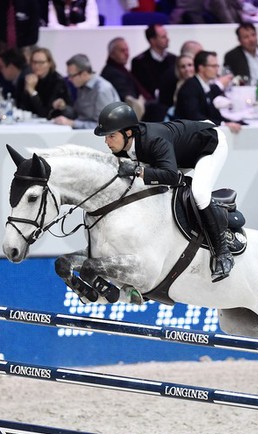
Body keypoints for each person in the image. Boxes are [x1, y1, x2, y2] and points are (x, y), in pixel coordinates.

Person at [94, 101, 234, 282]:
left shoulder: (154, 140)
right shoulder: (122, 147)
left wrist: (138, 171)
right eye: (105, 137)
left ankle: (223, 252)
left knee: (199, 192)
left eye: (111, 136)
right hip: (177, 154)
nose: (106, 141)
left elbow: (171, 176)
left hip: (207, 145)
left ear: (128, 133)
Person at [175, 51, 242, 134]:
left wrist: (235, 122)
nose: (217, 69)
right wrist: (223, 124)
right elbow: (194, 116)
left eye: (217, 66)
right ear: (201, 68)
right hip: (187, 135)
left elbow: (212, 113)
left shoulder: (204, 85)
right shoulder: (190, 87)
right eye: (213, 66)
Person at [50, 53, 118, 129]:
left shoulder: (102, 90)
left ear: (84, 74)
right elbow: (79, 115)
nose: (69, 79)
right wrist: (64, 108)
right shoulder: (82, 86)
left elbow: (104, 126)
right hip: (85, 133)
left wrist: (72, 123)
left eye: (71, 76)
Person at [101, 37, 156, 121]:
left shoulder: (119, 69)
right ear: (112, 54)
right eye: (122, 51)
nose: (127, 53)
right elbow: (129, 99)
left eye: (127, 50)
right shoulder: (113, 73)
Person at [131, 24, 177, 117]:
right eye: (163, 37)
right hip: (150, 107)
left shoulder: (174, 59)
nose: (167, 39)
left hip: (172, 103)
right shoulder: (139, 62)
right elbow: (138, 87)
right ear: (152, 40)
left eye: (166, 36)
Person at [20, 47, 72, 119]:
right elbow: (22, 107)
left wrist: (32, 92)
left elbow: (45, 112)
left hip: (54, 121)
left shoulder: (58, 82)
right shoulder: (28, 78)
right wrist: (27, 91)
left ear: (49, 63)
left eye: (41, 62)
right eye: (34, 62)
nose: (37, 66)